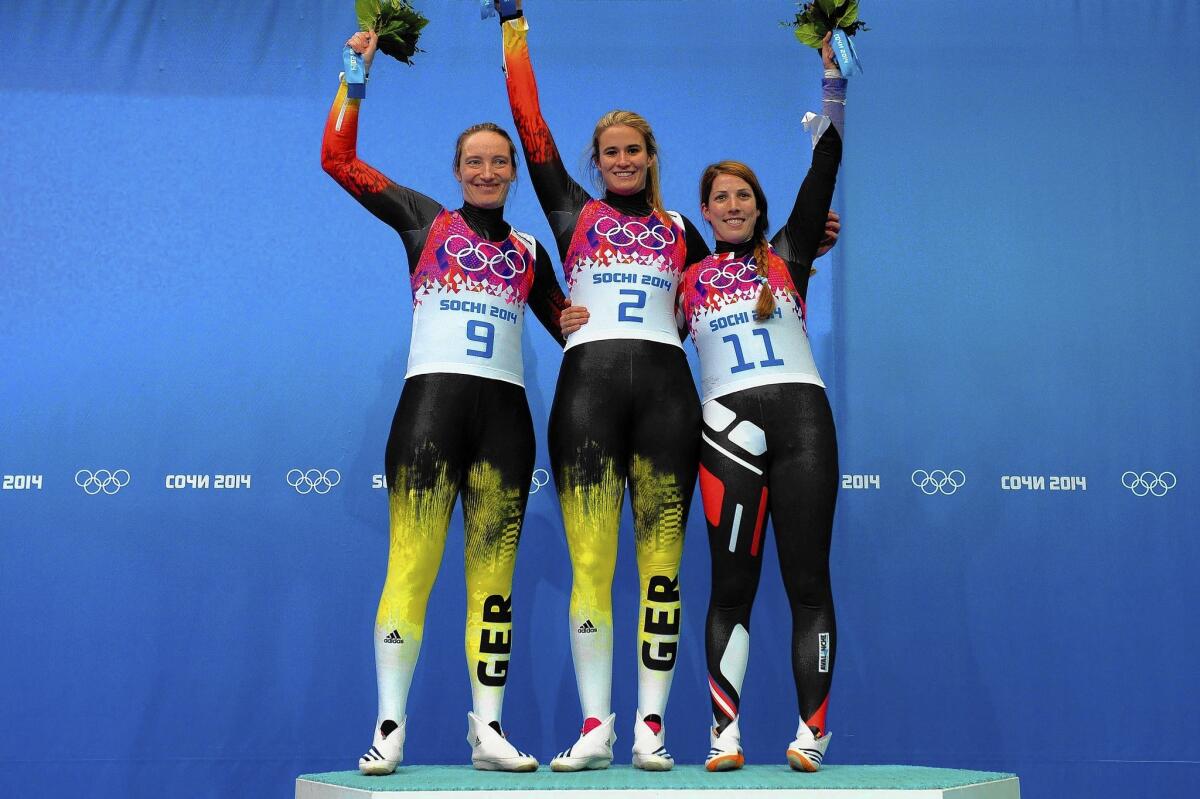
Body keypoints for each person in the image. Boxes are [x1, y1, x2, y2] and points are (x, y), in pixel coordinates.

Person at [321, 29, 567, 774]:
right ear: (457, 171)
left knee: (493, 580)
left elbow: (570, 326)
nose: (488, 170)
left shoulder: (529, 250)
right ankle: (388, 727)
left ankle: (486, 730)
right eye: (475, 162)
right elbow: (339, 161)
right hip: (428, 415)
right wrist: (354, 76)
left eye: (500, 161)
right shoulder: (426, 221)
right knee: (412, 569)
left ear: (513, 173)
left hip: (506, 425)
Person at [493, 1, 713, 772]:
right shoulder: (569, 209)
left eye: (634, 150)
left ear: (652, 157)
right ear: (597, 161)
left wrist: (811, 244)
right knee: (592, 567)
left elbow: (734, 292)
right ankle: (598, 725)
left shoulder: (686, 229)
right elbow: (530, 125)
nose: (622, 160)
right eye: (611, 151)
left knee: (663, 565)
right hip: (585, 397)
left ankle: (650, 724)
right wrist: (512, 23)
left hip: (666, 399)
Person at [676, 33, 847, 773]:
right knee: (731, 585)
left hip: (804, 421)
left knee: (808, 579)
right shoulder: (678, 278)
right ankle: (725, 733)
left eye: (744, 195)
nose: (734, 205)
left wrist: (832, 81)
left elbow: (827, 162)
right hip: (725, 429)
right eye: (721, 197)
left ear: (758, 206)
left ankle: (812, 731)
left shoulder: (791, 256)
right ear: (705, 210)